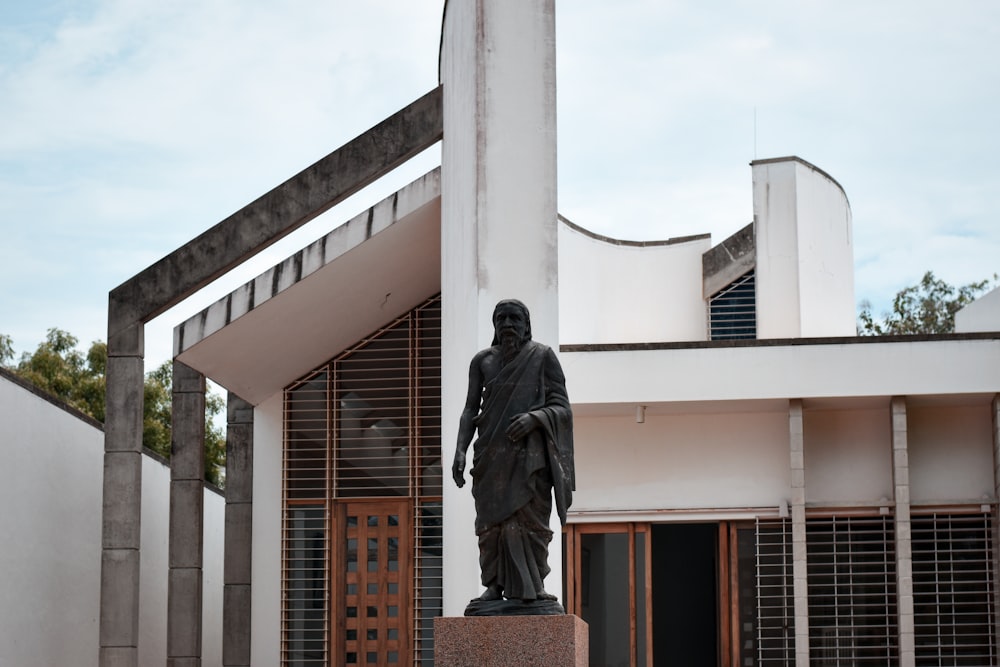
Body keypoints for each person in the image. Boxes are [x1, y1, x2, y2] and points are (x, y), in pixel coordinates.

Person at [452, 299, 574, 605]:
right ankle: (493, 585)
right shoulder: (482, 362)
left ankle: (534, 586)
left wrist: (534, 418)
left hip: (529, 459)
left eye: (514, 318)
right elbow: (470, 410)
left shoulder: (543, 356)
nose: (508, 324)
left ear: (526, 324)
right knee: (490, 522)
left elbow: (562, 407)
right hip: (491, 455)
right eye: (501, 318)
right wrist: (460, 450)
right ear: (494, 325)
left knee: (530, 520)